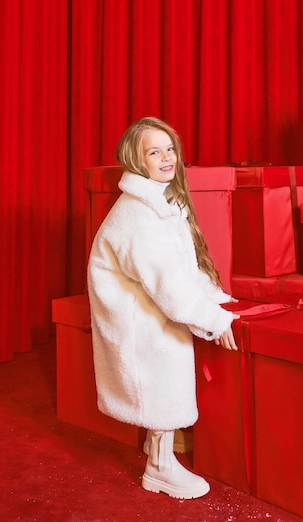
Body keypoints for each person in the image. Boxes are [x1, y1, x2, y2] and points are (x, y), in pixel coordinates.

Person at [87, 116, 239, 500]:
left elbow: (183, 267)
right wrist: (212, 319)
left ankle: (159, 448)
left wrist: (213, 299)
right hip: (133, 314)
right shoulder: (140, 215)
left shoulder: (160, 202)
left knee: (173, 335)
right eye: (154, 152)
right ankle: (159, 466)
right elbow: (167, 285)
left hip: (145, 299)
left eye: (170, 148)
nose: (167, 158)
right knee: (165, 355)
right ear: (137, 161)